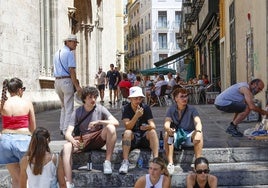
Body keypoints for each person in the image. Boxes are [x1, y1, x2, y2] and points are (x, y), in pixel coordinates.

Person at [62, 86, 119, 187]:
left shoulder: (100, 108)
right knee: (66, 147)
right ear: (84, 99)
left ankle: (107, 162)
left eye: (95, 97)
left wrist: (100, 121)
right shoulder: (77, 112)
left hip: (98, 137)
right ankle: (69, 182)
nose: (93, 100)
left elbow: (116, 122)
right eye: (90, 97)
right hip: (83, 140)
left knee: (111, 128)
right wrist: (73, 141)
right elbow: (68, 133)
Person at [0, 77, 36, 188]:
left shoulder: (2, 103)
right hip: (23, 140)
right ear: (20, 90)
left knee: (15, 179)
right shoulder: (27, 103)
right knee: (26, 178)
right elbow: (33, 127)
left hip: (5, 141)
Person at [119, 86, 159, 174]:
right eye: (135, 98)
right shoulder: (126, 109)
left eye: (140, 98)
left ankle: (156, 160)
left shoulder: (145, 107)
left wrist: (148, 127)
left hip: (144, 136)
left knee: (152, 132)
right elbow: (127, 126)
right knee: (127, 133)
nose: (138, 101)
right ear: (130, 99)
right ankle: (125, 161)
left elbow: (153, 125)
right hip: (133, 137)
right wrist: (136, 116)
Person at [164, 88, 203, 175]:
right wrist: (168, 128)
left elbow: (198, 121)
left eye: (186, 96)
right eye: (182, 97)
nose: (185, 99)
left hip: (189, 136)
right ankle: (170, 163)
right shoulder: (171, 109)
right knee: (167, 134)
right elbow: (167, 122)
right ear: (176, 99)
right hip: (177, 135)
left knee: (199, 133)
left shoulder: (192, 109)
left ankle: (198, 163)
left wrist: (199, 131)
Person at [53, 34, 82, 136]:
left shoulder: (57, 53)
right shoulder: (69, 54)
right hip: (66, 81)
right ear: (68, 42)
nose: (76, 45)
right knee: (69, 107)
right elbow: (71, 70)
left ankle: (62, 127)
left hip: (57, 82)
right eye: (74, 42)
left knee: (63, 106)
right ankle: (66, 131)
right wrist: (77, 86)